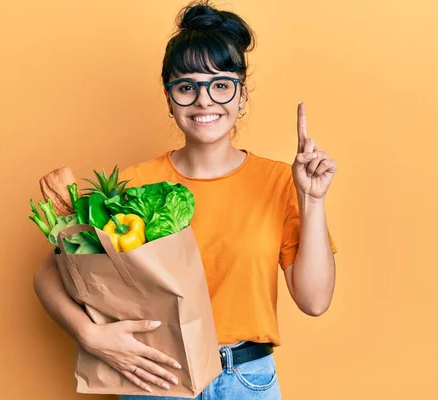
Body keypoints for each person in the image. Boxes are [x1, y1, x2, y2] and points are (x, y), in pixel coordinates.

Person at [33, 1, 337, 399]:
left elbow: (314, 301)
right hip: (156, 380)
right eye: (187, 86)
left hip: (247, 382)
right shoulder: (130, 185)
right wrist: (90, 335)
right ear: (169, 97)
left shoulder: (281, 182)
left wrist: (312, 201)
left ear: (242, 95)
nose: (204, 100)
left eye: (221, 84)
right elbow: (49, 274)